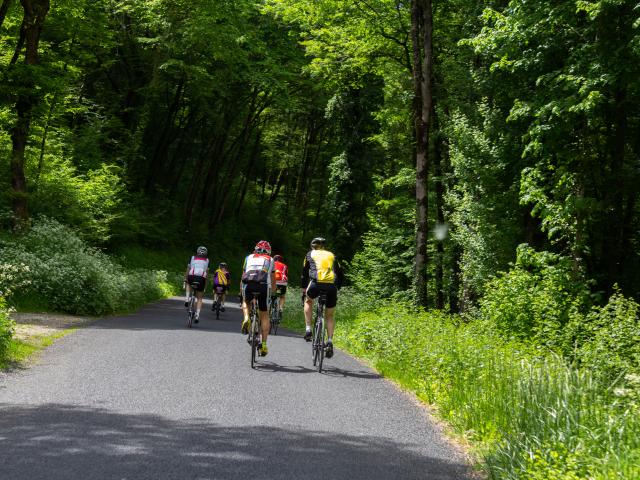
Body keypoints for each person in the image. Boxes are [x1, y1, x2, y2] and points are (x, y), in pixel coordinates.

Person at [301, 237, 343, 358]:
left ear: (312, 246)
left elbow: (304, 274)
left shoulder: (309, 254)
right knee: (329, 315)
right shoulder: (332, 255)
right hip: (331, 287)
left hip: (315, 284)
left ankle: (308, 329)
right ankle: (329, 341)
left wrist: (303, 289)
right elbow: (340, 273)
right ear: (324, 246)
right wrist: (337, 288)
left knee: (308, 300)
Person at [240, 240, 276, 356]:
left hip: (249, 284)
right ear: (268, 251)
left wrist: (241, 290)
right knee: (264, 314)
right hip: (263, 286)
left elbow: (243, 276)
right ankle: (264, 345)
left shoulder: (248, 257)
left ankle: (246, 318)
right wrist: (274, 291)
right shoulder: (270, 259)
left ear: (255, 249)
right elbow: (273, 278)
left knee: (246, 302)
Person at [184, 246, 210, 323]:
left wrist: (185, 278)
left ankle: (187, 298)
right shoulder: (207, 260)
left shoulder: (192, 257)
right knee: (199, 298)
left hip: (192, 276)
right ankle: (197, 315)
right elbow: (207, 273)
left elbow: (188, 269)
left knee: (188, 283)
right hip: (201, 278)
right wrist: (205, 284)